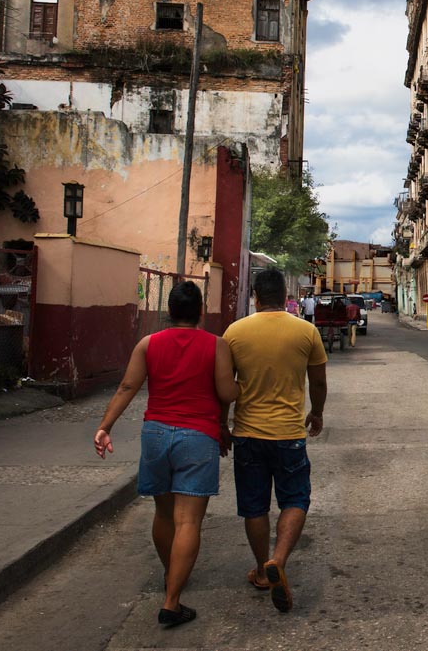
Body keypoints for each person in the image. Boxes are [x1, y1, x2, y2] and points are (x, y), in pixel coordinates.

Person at [93, 282, 238, 629]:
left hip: (156, 434)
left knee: (163, 513)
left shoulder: (148, 344)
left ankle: (171, 574)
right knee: (189, 521)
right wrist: (243, 386)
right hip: (197, 437)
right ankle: (172, 601)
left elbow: (127, 387)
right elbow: (225, 392)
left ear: (169, 312)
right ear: (200, 311)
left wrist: (105, 427)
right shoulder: (216, 345)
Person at [223, 269, 327, 614]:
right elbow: (318, 382)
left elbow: (224, 387)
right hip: (289, 435)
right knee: (295, 498)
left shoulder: (234, 333)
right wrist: (317, 413)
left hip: (248, 434)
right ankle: (278, 560)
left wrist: (222, 425)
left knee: (254, 505)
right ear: (285, 296)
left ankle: (263, 568)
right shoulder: (306, 331)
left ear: (255, 295)